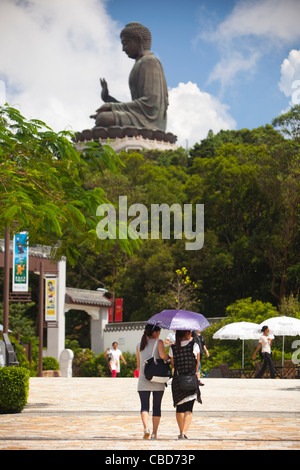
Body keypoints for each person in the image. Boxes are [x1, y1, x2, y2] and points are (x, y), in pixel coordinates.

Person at [91, 22, 168, 131]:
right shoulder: (139, 64)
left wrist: (112, 106)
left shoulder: (150, 62)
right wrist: (108, 99)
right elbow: (137, 106)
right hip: (139, 115)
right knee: (102, 120)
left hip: (149, 121)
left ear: (138, 40)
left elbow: (151, 104)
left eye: (126, 43)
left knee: (103, 119)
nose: (123, 49)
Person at [136, 324, 170, 440]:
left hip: (143, 379)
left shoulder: (139, 345)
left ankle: (146, 429)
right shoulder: (158, 342)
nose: (159, 333)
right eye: (159, 331)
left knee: (144, 406)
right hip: (158, 379)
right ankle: (155, 433)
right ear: (154, 332)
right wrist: (169, 358)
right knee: (157, 407)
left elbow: (138, 364)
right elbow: (162, 356)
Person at [169, 330, 201, 439]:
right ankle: (184, 432)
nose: (191, 334)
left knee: (179, 407)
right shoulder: (194, 345)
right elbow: (197, 364)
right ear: (186, 333)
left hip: (178, 380)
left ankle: (180, 431)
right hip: (191, 379)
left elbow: (173, 364)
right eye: (189, 332)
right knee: (189, 408)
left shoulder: (173, 348)